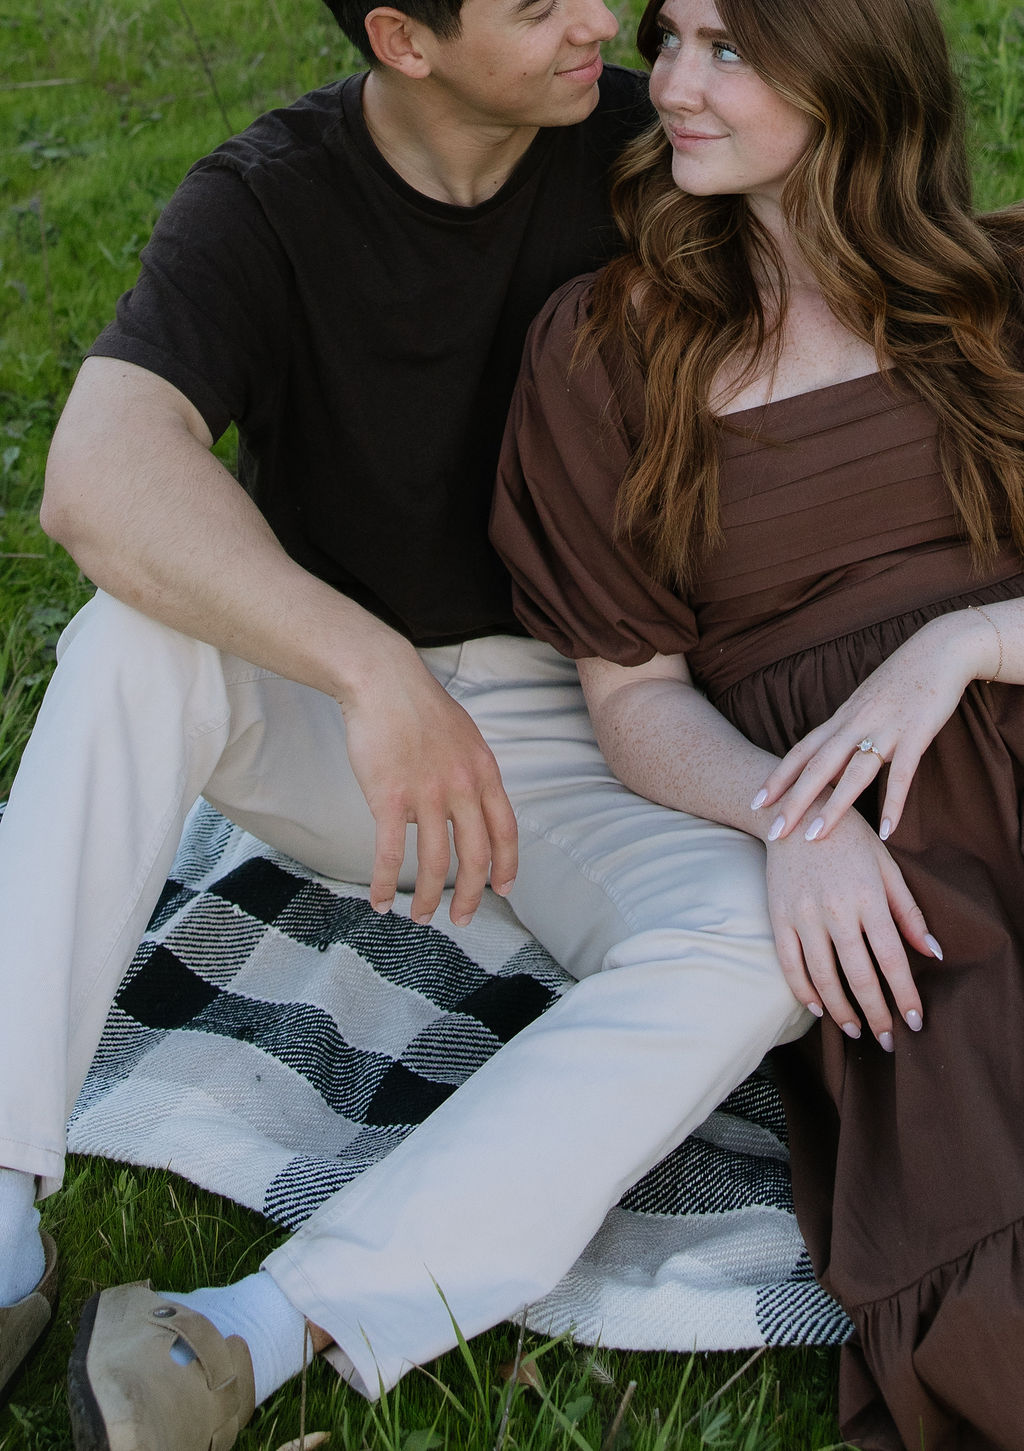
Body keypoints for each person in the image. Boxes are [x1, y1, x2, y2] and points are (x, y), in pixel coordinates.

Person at [0, 0, 815, 1446]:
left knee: (771, 932)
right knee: (134, 640)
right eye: (536, 3)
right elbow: (95, 475)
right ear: (404, 37)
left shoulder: (648, 144)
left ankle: (258, 1328)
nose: (597, 19)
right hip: (347, 721)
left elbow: (872, 257)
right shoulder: (273, 196)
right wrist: (379, 675)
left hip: (608, 714)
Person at [491, 0, 1024, 1445]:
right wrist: (801, 818)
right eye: (670, 36)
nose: (667, 83)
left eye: (729, 47)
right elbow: (637, 700)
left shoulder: (1002, 291)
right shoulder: (611, 350)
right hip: (899, 841)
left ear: (848, 64)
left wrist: (966, 644)